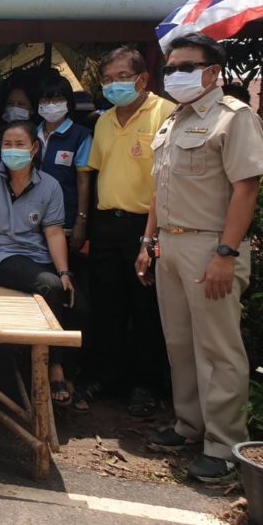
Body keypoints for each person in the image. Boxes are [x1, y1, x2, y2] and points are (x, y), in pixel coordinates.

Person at [138, 33, 263, 482]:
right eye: (170, 68)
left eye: (186, 67)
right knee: (179, 343)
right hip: (170, 246)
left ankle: (224, 445)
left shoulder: (233, 117)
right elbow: (159, 188)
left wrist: (226, 253)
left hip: (210, 246)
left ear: (213, 71)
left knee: (217, 348)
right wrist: (147, 241)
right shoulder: (173, 121)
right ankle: (189, 425)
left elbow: (246, 188)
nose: (175, 75)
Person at [0, 121, 79, 407]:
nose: (12, 150)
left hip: (38, 256)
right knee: (50, 287)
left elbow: (53, 232)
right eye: (7, 144)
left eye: (19, 144)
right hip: (2, 257)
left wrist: (64, 272)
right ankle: (54, 369)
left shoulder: (49, 185)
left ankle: (71, 376)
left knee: (77, 302)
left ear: (34, 148)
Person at [86, 46, 176, 417]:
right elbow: (96, 172)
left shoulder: (166, 113)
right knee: (108, 303)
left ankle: (146, 385)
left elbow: (169, 180)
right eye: (107, 80)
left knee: (146, 307)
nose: (114, 85)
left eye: (122, 77)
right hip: (107, 223)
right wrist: (87, 224)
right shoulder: (103, 121)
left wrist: (151, 238)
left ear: (143, 79)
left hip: (146, 225)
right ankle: (109, 378)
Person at [37, 74, 93, 251]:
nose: (51, 105)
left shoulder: (80, 136)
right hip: (33, 218)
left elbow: (83, 180)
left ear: (68, 103)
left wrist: (80, 220)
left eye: (57, 99)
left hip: (65, 218)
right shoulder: (30, 133)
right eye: (45, 100)